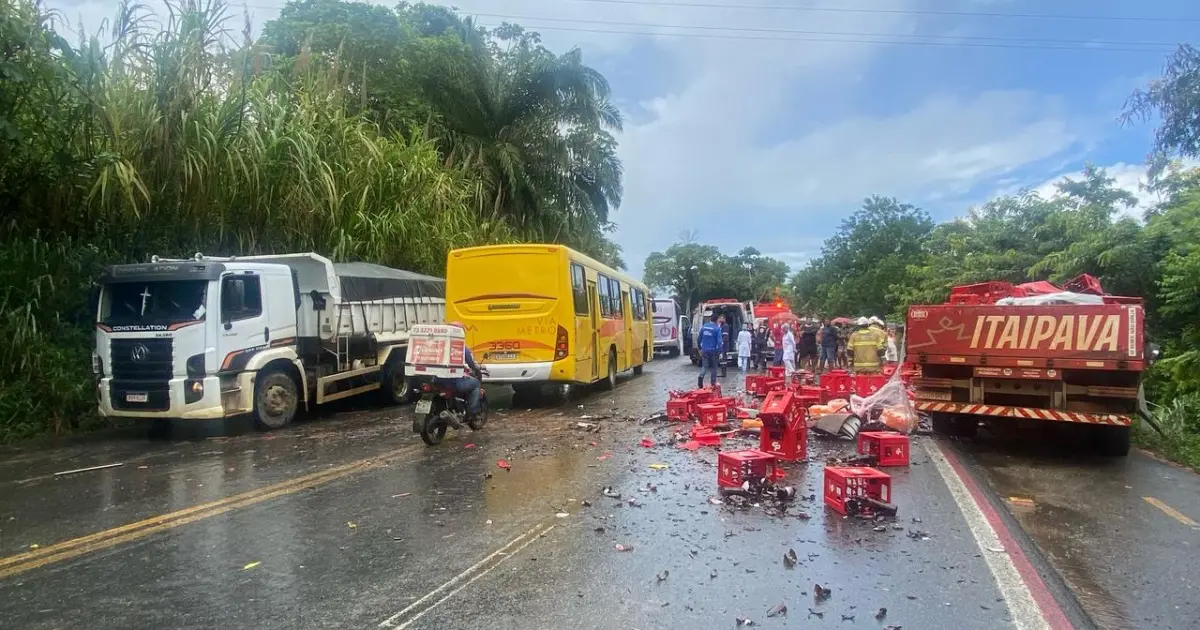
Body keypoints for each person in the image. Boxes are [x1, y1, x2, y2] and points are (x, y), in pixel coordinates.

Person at [440, 321, 483, 418]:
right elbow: (471, 363)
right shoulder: (461, 347)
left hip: (436, 380)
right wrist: (476, 369)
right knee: (476, 383)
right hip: (453, 382)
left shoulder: (438, 345)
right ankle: (472, 412)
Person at [697, 313, 723, 388]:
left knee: (704, 366)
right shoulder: (717, 329)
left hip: (704, 350)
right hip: (713, 351)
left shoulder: (704, 327)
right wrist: (720, 351)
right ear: (716, 320)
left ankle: (701, 377)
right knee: (714, 367)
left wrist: (700, 348)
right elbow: (719, 342)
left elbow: (699, 339)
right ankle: (713, 383)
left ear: (710, 319)